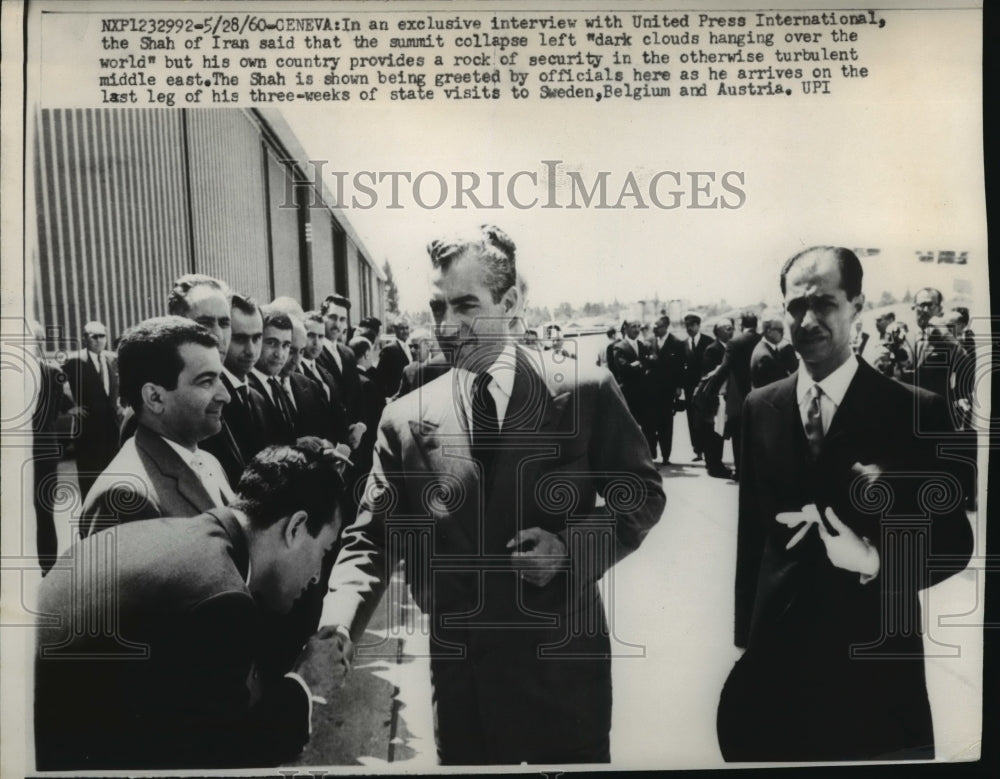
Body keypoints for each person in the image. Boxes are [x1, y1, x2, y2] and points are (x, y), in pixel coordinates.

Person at [322, 225, 665, 765]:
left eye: (466, 306)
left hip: (563, 682)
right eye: (437, 307)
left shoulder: (584, 391)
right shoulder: (403, 418)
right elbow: (371, 538)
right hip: (466, 692)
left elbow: (641, 495)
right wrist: (337, 620)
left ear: (511, 303)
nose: (447, 327)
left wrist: (569, 549)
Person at [717, 246, 974, 762]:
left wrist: (876, 560)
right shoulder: (760, 406)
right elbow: (752, 533)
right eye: (795, 307)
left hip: (874, 663)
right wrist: (747, 637)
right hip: (780, 663)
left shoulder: (914, 411)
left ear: (858, 304)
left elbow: (953, 542)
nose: (807, 320)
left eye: (825, 303)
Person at [35, 439, 348, 770]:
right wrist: (305, 681)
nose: (316, 576)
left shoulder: (176, 534)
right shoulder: (223, 599)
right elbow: (228, 760)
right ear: (296, 528)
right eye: (324, 552)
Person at [80, 317, 234, 537]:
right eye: (206, 381)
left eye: (220, 378)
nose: (225, 396)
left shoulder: (208, 462)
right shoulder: (122, 496)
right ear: (154, 398)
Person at [29, 321, 73, 574]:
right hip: (32, 450)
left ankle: (48, 569)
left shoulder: (51, 373)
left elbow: (56, 411)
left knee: (43, 511)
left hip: (41, 451)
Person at [64, 320, 121, 502]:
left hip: (112, 429)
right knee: (90, 479)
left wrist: (123, 403)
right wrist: (68, 407)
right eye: (93, 336)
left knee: (113, 477)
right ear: (84, 338)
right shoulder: (74, 360)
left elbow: (124, 384)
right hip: (88, 430)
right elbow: (53, 384)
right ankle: (89, 524)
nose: (98, 340)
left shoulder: (113, 359)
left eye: (102, 336)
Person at [701, 312, 762, 480]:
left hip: (739, 396)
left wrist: (708, 390)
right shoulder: (763, 340)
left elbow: (724, 369)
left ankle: (742, 470)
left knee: (738, 434)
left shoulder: (735, 343)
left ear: (742, 324)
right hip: (762, 393)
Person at [219, 294, 272, 480]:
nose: (251, 350)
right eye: (240, 339)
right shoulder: (211, 398)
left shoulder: (258, 398)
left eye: (257, 338)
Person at [248, 311, 296, 446]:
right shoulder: (245, 388)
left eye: (286, 345)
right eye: (272, 343)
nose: (279, 354)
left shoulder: (276, 384)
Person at [646, 315, 685, 464]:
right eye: (654, 327)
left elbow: (681, 368)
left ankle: (666, 455)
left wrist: (679, 387)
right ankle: (652, 452)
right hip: (651, 391)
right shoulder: (649, 342)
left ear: (666, 326)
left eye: (657, 326)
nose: (654, 329)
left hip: (668, 392)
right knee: (650, 423)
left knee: (666, 424)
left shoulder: (677, 343)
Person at [682, 313, 714, 461]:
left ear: (698, 325)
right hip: (689, 389)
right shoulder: (683, 344)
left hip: (705, 388)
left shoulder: (709, 342)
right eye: (687, 326)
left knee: (705, 420)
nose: (689, 328)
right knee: (692, 419)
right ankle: (698, 451)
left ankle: (709, 451)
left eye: (692, 325)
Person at [749, 317, 798, 388]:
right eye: (780, 330)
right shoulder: (765, 357)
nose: (783, 333)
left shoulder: (765, 347)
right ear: (769, 332)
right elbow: (778, 387)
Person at [376, 320, 412, 398]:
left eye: (407, 328)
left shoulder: (411, 347)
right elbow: (380, 376)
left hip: (409, 393)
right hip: (395, 395)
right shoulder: (389, 349)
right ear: (395, 330)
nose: (405, 331)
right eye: (402, 329)